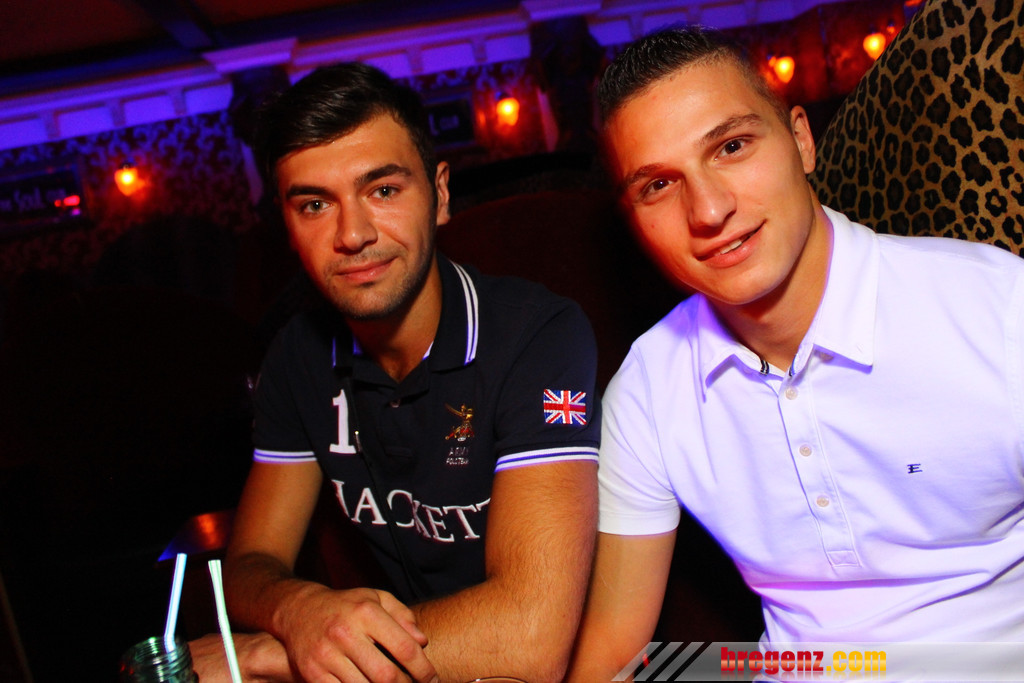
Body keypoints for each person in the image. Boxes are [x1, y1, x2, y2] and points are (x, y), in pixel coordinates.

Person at [568, 25, 1024, 679]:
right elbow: (614, 652)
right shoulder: (646, 389)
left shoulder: (996, 310)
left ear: (802, 141)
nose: (709, 209)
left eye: (731, 146)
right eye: (659, 185)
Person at [201, 62, 600, 682]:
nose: (352, 234)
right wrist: (298, 609)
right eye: (315, 204)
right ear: (287, 228)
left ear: (439, 195)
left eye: (383, 191)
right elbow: (251, 562)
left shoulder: (535, 334)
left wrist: (269, 656)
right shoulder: (297, 356)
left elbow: (529, 639)